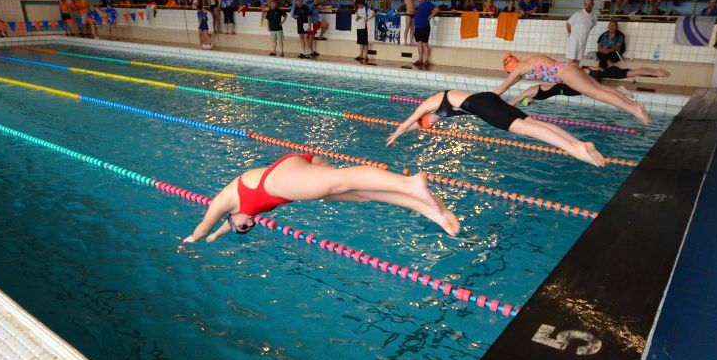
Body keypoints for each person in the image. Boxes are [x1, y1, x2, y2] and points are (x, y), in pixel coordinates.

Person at [183, 154, 459, 242]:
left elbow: (205, 225)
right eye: (250, 227)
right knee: (360, 195)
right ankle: (429, 209)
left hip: (278, 179)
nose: (252, 222)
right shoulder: (242, 213)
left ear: (232, 217)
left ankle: (409, 183)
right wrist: (216, 237)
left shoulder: (226, 201)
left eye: (245, 226)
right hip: (293, 173)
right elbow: (225, 227)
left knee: (341, 180)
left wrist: (194, 238)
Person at [387, 89, 606, 167]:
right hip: (487, 99)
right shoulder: (439, 112)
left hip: (481, 105)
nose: (430, 126)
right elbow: (415, 124)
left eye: (426, 124)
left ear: (426, 116)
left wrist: (397, 133)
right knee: (532, 122)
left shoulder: (429, 104)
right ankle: (580, 143)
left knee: (525, 129)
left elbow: (410, 119)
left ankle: (574, 149)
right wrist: (403, 132)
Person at [494, 53, 650, 123]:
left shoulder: (519, 68)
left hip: (564, 72)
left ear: (511, 68)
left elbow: (502, 87)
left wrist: (485, 99)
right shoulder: (526, 63)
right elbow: (513, 83)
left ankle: (634, 109)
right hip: (568, 68)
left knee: (596, 93)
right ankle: (634, 105)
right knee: (599, 89)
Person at [412, 0, 439, 68]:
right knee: (419, 44)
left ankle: (426, 60)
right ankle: (420, 60)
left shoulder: (427, 3)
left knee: (425, 44)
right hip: (417, 28)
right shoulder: (420, 5)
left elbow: (437, 9)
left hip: (424, 27)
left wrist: (430, 16)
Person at [353, 0, 372, 64]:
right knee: (361, 42)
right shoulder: (357, 9)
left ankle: (366, 56)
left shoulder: (366, 9)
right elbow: (356, 19)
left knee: (365, 42)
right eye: (357, 5)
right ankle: (361, 55)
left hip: (364, 27)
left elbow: (374, 14)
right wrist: (358, 18)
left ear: (361, 3)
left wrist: (367, 19)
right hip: (359, 27)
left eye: (359, 5)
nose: (358, 6)